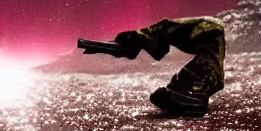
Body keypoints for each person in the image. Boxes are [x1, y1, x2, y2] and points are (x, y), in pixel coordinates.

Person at [84, 17, 226, 116]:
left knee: (214, 29)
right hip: (207, 74)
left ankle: (136, 41)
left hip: (206, 79)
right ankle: (136, 40)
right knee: (213, 27)